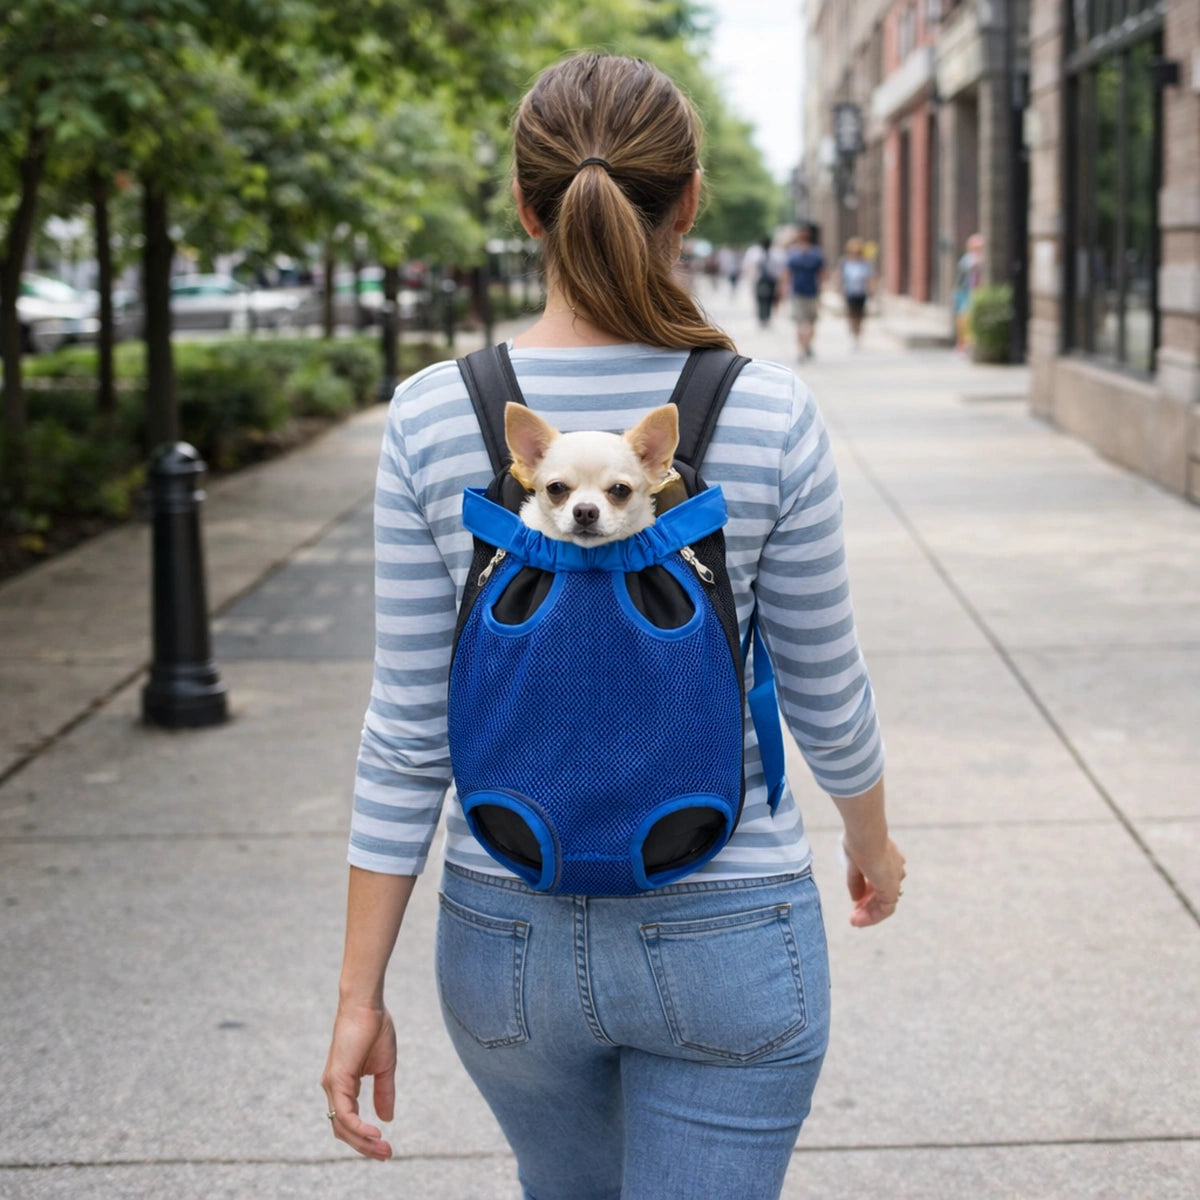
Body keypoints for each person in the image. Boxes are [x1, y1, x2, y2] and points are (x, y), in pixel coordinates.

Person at [321, 52, 905, 1200]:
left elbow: (406, 731)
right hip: (730, 919)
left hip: (505, 926)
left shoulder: (435, 414)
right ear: (689, 201)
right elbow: (826, 690)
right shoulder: (767, 409)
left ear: (525, 207)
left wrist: (357, 995)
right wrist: (871, 847)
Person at [783, 224, 825, 360]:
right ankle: (807, 346)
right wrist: (821, 288)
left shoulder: (793, 254)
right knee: (811, 323)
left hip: (798, 292)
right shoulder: (816, 253)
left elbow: (787, 273)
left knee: (800, 323)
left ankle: (802, 349)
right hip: (812, 292)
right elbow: (822, 274)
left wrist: (785, 289)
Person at [839, 237, 874, 348]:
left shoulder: (865, 264)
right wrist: (840, 288)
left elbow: (869, 278)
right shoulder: (845, 262)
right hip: (850, 292)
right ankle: (853, 333)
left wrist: (871, 290)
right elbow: (840, 277)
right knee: (852, 314)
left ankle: (858, 335)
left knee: (860, 315)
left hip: (861, 292)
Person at [953, 232, 985, 352]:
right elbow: (961, 280)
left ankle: (970, 343)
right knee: (963, 318)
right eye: (976, 248)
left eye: (980, 248)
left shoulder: (981, 259)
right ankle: (962, 343)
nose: (978, 250)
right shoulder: (967, 260)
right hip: (965, 293)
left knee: (970, 317)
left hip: (976, 292)